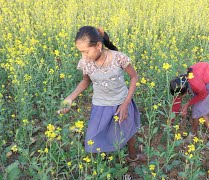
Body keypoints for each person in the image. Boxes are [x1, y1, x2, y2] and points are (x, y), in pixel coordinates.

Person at [57, 26, 146, 163]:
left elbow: (134, 77)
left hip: (122, 102)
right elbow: (85, 81)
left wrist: (126, 102)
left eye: (86, 51)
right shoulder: (85, 63)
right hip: (100, 105)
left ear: (98, 45)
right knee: (93, 137)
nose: (83, 56)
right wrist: (70, 98)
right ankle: (102, 165)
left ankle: (132, 157)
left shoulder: (118, 58)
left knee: (128, 131)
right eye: (81, 52)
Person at [169, 62, 209, 143]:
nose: (179, 97)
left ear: (186, 91)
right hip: (206, 75)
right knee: (200, 109)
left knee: (196, 110)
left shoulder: (195, 84)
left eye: (181, 96)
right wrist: (170, 122)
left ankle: (192, 135)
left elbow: (203, 94)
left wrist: (187, 104)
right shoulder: (180, 83)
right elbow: (176, 102)